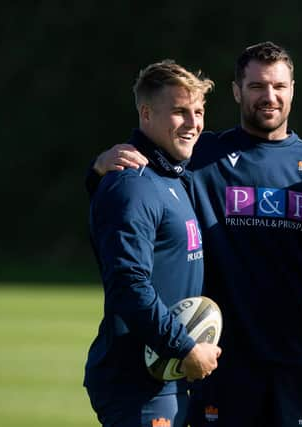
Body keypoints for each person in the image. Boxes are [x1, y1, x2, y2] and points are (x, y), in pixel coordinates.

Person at [89, 42, 302, 427]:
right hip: (221, 365)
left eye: (279, 86)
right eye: (258, 86)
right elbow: (133, 193)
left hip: (299, 363)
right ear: (237, 90)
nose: (270, 96)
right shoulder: (198, 156)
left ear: (293, 89)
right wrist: (97, 171)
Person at [84, 60, 221, 427]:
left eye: (199, 111)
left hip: (168, 374)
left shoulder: (173, 176)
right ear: (146, 113)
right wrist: (185, 347)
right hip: (139, 383)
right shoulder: (133, 185)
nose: (193, 123)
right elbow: (128, 285)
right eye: (180, 111)